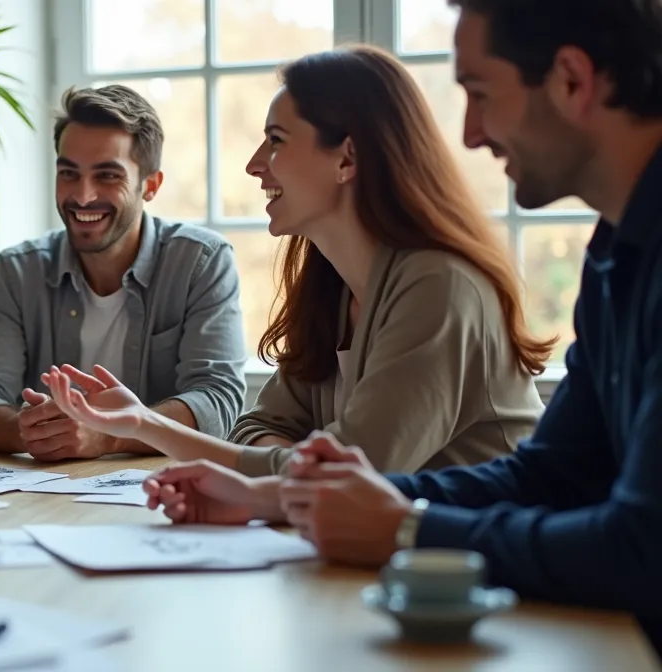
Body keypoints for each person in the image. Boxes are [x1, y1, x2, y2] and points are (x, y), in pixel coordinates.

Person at [152, 0, 662, 652]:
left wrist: (407, 529)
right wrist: (271, 499)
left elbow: (643, 548)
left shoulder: (444, 282)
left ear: (571, 80)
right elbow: (550, 477)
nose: (470, 134)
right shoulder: (615, 254)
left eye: (480, 93)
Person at [40, 46, 547, 477]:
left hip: (478, 560)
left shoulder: (439, 287)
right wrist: (292, 463)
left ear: (346, 158)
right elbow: (257, 426)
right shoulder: (332, 285)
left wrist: (148, 425)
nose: (254, 164)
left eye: (277, 141)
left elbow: (347, 477)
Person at [0, 84, 249, 462]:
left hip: (160, 488)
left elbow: (217, 403)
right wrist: (30, 431)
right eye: (68, 173)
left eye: (107, 175)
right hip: (43, 488)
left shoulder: (200, 263)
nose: (83, 196)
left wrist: (108, 436)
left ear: (150, 185)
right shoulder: (17, 271)